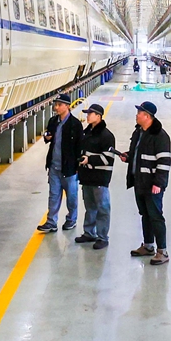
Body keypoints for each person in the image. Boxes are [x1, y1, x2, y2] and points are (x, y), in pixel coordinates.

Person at [118, 101, 171, 265]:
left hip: (152, 184)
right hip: (139, 181)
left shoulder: (160, 136)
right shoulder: (139, 132)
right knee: (145, 215)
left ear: (147, 116)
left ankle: (162, 251)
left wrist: (158, 183)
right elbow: (137, 154)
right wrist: (128, 156)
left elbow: (164, 163)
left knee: (156, 216)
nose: (137, 115)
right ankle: (148, 246)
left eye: (139, 113)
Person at [38, 93, 82, 233]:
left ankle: (71, 220)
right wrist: (47, 137)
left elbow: (79, 146)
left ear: (67, 106)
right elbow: (48, 136)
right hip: (54, 166)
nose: (56, 107)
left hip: (69, 168)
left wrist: (77, 166)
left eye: (59, 105)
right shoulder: (53, 121)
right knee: (54, 196)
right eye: (55, 105)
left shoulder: (75, 124)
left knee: (72, 197)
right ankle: (51, 222)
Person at [75, 103, 115, 249]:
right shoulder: (87, 133)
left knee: (102, 208)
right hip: (87, 177)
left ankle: (102, 237)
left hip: (99, 178)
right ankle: (89, 233)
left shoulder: (107, 136)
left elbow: (108, 158)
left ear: (98, 116)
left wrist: (89, 160)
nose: (87, 116)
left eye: (90, 114)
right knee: (90, 206)